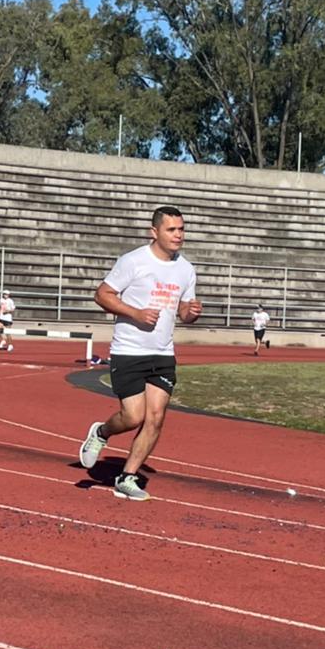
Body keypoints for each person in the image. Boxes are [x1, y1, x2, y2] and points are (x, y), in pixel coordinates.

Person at [78, 206, 202, 501]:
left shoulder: (186, 269)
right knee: (133, 417)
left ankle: (127, 477)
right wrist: (135, 313)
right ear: (154, 232)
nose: (179, 235)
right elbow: (102, 295)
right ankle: (102, 433)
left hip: (162, 353)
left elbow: (184, 312)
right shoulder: (133, 261)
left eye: (182, 229)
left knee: (156, 418)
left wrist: (191, 312)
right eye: (172, 229)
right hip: (129, 351)